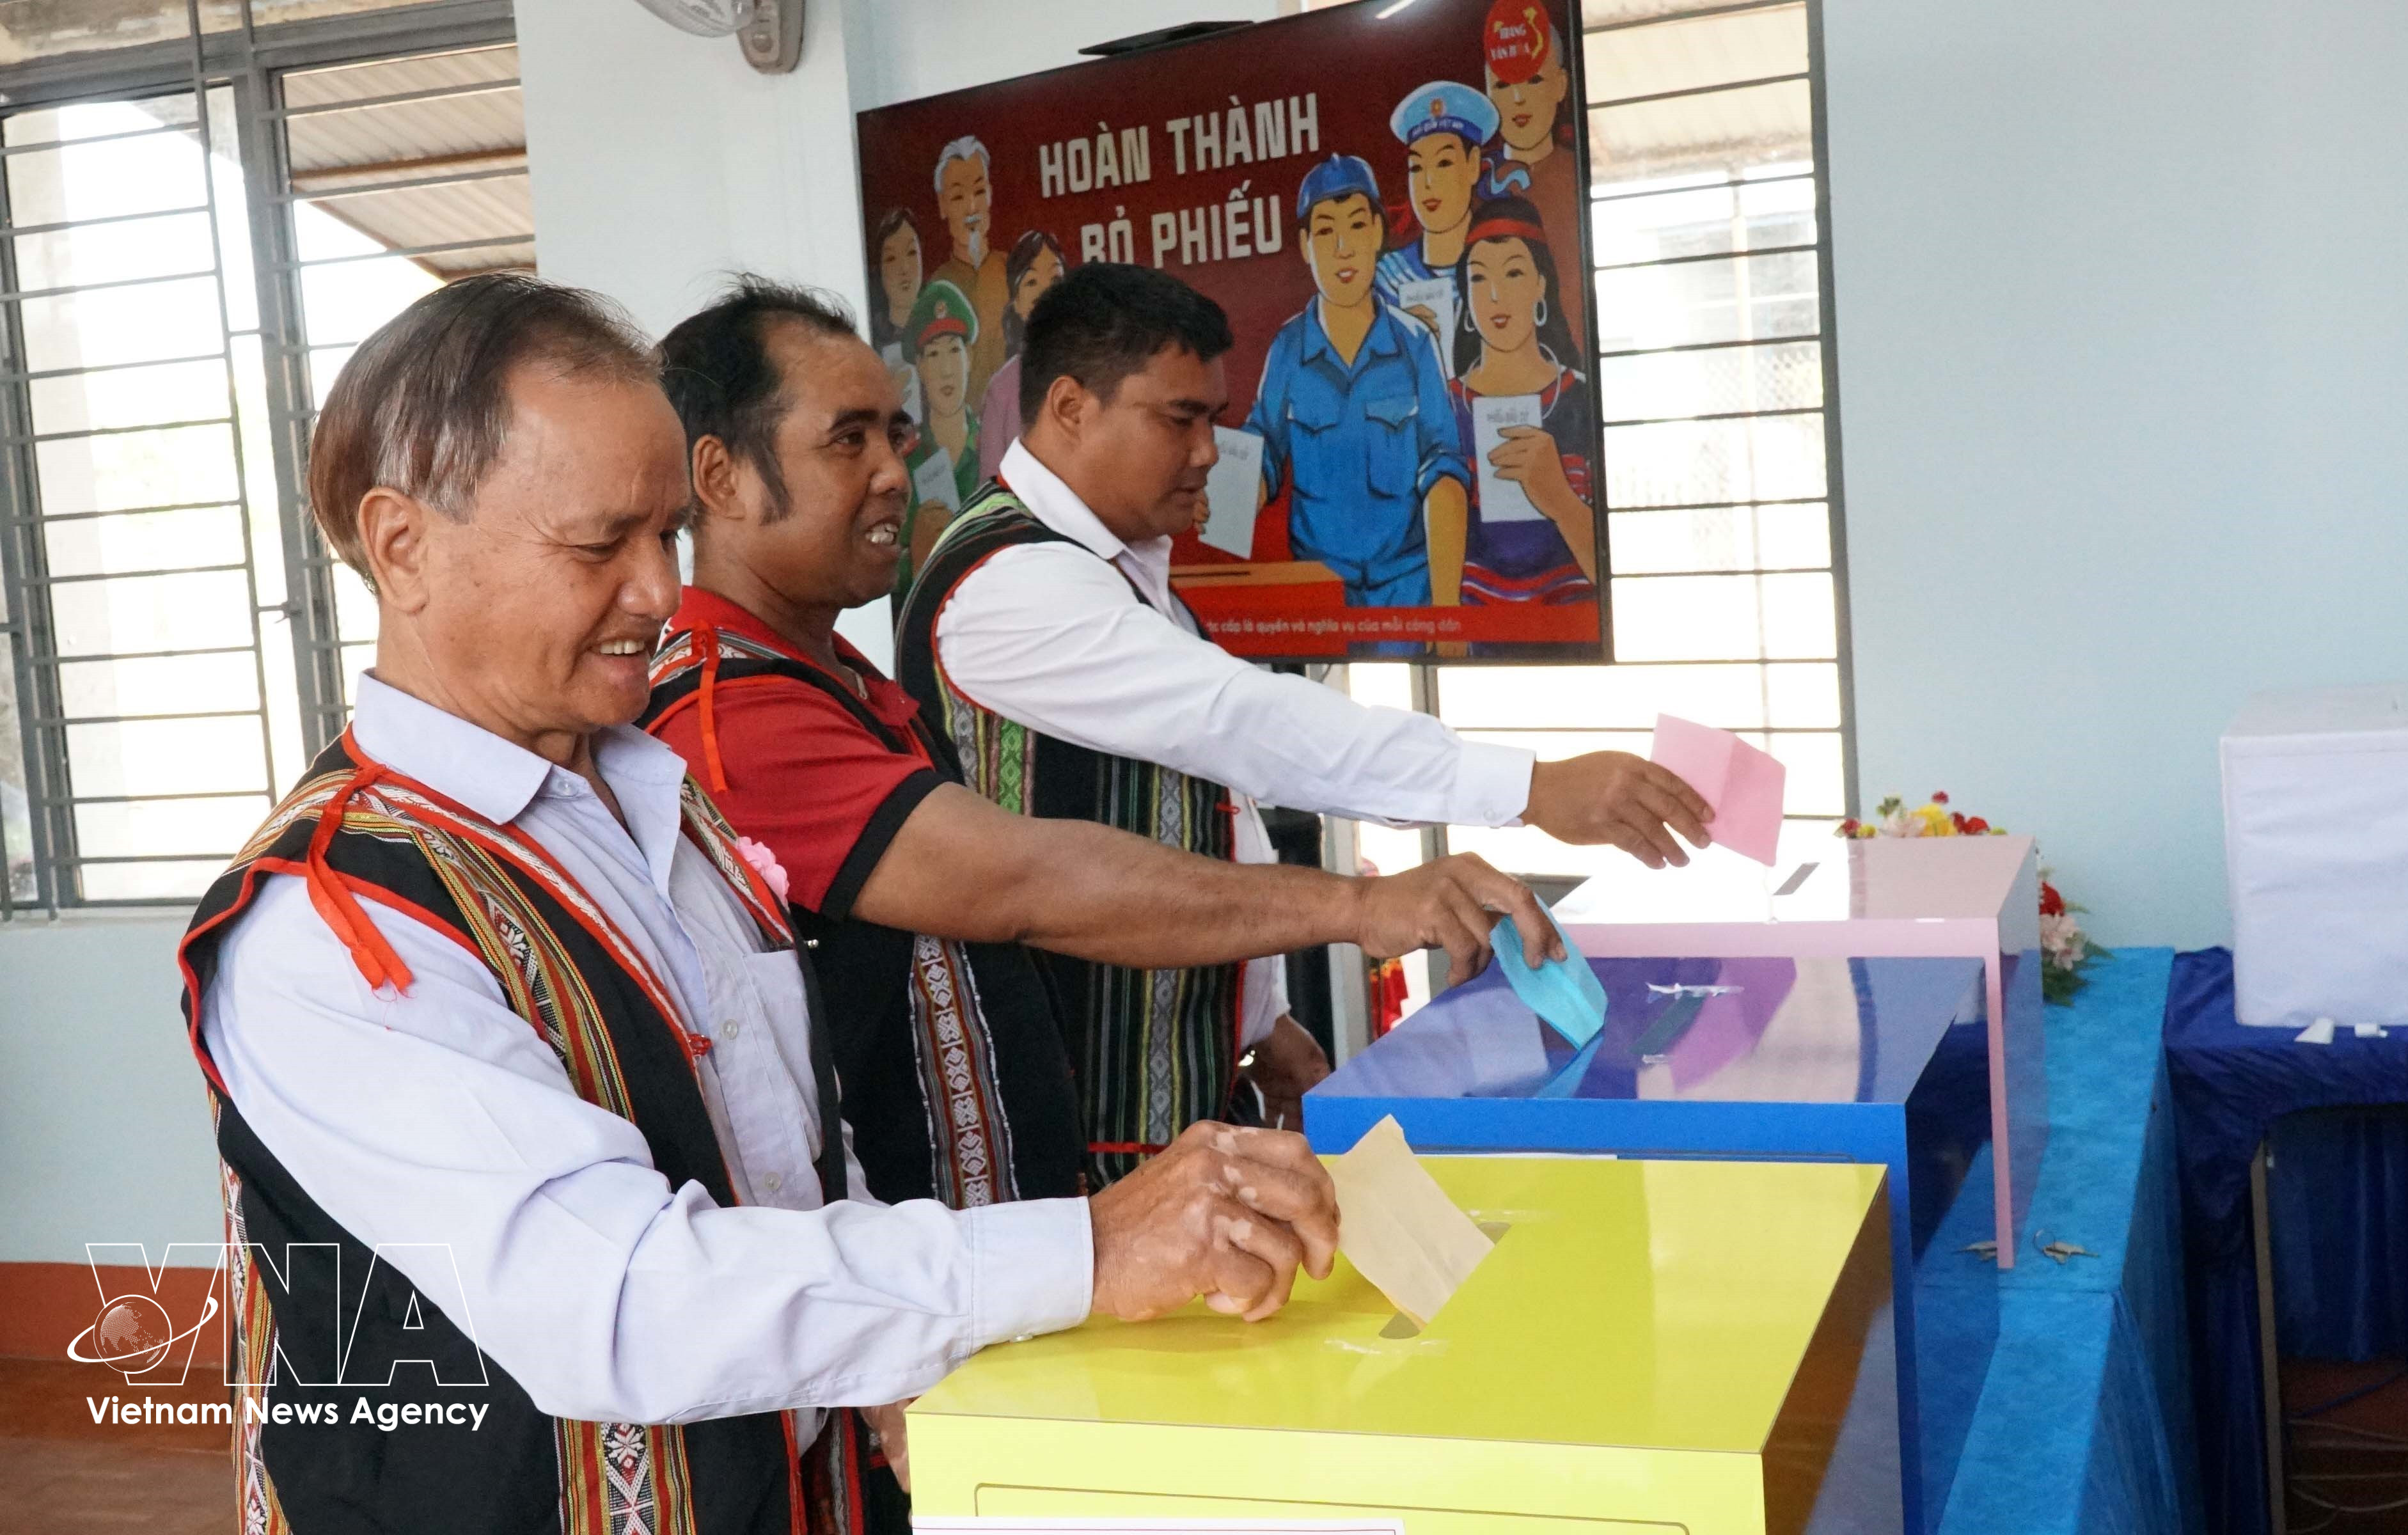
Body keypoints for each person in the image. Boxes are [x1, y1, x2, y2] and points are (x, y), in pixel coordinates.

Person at [182, 273, 1343, 1534]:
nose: (655, 593)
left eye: (665, 536)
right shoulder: (335, 918)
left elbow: (781, 1152)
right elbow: (622, 1297)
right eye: (597, 546)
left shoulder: (654, 804)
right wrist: (1086, 1251)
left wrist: (890, 1355)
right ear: (404, 546)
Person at [649, 276, 1555, 1209]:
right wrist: (1360, 904)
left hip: (1026, 1211)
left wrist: (1256, 1013)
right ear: (720, 479)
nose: (889, 470)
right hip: (950, 1256)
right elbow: (1028, 879)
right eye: (848, 439)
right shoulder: (735, 712)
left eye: (895, 434)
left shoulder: (832, 674)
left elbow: (1196, 803)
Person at [894, 262, 1716, 1185]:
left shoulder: (1117, 569)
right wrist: (1528, 787)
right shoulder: (1009, 586)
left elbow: (1204, 804)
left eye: (1214, 416)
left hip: (1167, 1101)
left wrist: (1258, 1017)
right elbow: (1239, 723)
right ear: (1071, 407)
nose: (1210, 450)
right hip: (1058, 1128)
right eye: (1180, 419)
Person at [1249, 154, 1470, 615]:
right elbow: (1262, 448)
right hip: (1317, 589)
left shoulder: (1414, 345)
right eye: (1325, 231)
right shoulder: (1288, 347)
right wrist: (1226, 495)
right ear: (1306, 245)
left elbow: (1443, 467)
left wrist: (1447, 615)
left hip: (1406, 588)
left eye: (1355, 226)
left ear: (1376, 233)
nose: (1343, 249)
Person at [1447, 195, 1596, 612]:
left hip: (1570, 625)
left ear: (1540, 284)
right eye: (1478, 278)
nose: (1495, 295)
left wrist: (1562, 502)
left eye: (1513, 273)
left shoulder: (1580, 399)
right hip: (1472, 636)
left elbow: (1619, 574)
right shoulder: (1441, 406)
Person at [1375, 80, 1499, 351]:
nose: (1428, 182)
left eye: (1444, 164)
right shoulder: (1387, 278)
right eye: (1416, 168)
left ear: (1473, 165)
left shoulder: (1502, 266)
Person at [899, 278, 981, 602]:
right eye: (933, 355)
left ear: (970, 358)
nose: (947, 370)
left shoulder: (999, 446)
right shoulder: (906, 464)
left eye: (954, 351)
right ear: (919, 366)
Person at [976, 229, 1066, 482]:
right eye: (1031, 282)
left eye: (1055, 280)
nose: (1045, 293)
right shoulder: (1001, 388)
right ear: (1015, 302)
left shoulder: (1099, 371)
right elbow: (990, 487)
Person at [1479, 0, 1578, 221]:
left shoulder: (1576, 172)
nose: (1518, 99)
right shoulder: (1475, 185)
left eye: (1534, 81)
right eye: (1502, 86)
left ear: (1561, 85)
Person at [927, 134, 1009, 400]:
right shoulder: (937, 288)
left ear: (991, 195)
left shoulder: (1014, 271)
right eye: (958, 196)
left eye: (979, 191)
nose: (972, 207)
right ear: (942, 205)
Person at [866, 206, 925, 422]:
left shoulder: (940, 329)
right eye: (891, 259)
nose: (904, 269)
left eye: (911, 253)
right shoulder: (870, 341)